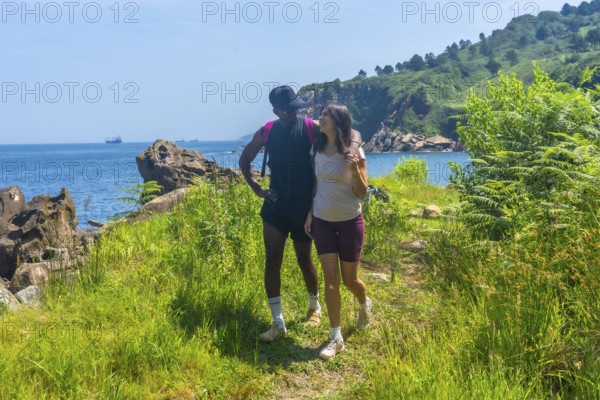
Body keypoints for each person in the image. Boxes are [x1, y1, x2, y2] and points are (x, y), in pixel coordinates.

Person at [239, 86, 363, 342]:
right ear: (276, 111)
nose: (297, 111)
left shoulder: (310, 126)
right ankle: (277, 322)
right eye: (291, 109)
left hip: (304, 207)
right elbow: (244, 160)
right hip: (275, 206)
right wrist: (257, 189)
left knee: (304, 259)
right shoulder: (267, 131)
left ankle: (313, 307)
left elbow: (353, 132)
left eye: (298, 106)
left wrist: (352, 147)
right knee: (272, 260)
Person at [304, 102, 372, 360]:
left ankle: (364, 303)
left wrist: (355, 170)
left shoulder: (355, 152)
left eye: (325, 115)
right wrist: (311, 212)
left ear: (338, 119)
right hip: (322, 221)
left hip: (349, 222)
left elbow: (363, 192)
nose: (320, 118)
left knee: (349, 280)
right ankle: (336, 336)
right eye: (320, 114)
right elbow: (316, 185)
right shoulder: (316, 148)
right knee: (330, 280)